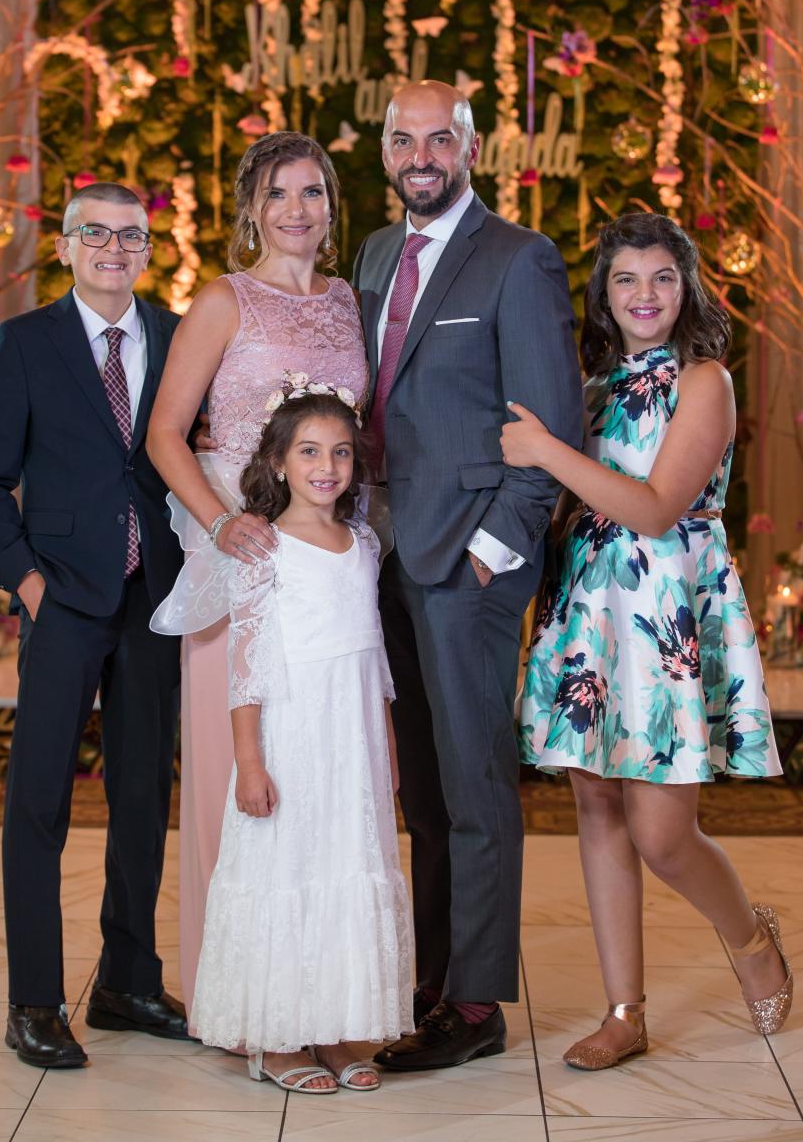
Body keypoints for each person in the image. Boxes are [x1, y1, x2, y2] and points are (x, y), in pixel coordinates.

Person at [509, 210, 791, 1071]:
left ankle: (748, 936)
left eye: (662, 278)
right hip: (591, 611)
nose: (644, 295)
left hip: (664, 613)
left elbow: (656, 506)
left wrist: (547, 453)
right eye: (626, 279)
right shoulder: (589, 382)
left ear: (686, 287)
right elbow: (570, 511)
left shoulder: (705, 381)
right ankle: (624, 1012)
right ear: (604, 292)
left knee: (662, 831)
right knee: (595, 803)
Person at [352, 79, 583, 1072]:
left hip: (469, 568)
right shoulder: (371, 254)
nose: (421, 155)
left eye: (439, 138)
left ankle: (477, 1008)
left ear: (471, 148)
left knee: (478, 784)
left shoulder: (519, 259)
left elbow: (553, 430)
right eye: (404, 138)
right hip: (386, 557)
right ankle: (437, 979)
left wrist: (497, 556)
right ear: (387, 148)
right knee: (425, 792)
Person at [0, 183, 187, 1068]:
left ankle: (128, 982)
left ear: (146, 249)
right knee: (39, 801)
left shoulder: (172, 337)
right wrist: (25, 581)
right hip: (59, 595)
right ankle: (35, 999)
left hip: (152, 598)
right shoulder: (27, 344)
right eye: (94, 232)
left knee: (142, 794)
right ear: (65, 246)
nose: (113, 247)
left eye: (131, 235)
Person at [146, 132, 367, 1022]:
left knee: (319, 777)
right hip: (236, 554)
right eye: (279, 194)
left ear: (330, 206)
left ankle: (320, 994)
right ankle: (231, 997)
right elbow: (165, 433)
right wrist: (221, 520)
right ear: (251, 206)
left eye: (312, 193)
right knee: (239, 774)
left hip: (323, 553)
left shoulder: (350, 302)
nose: (296, 211)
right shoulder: (221, 302)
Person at [188, 385, 413, 1092]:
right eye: (309, 452)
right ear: (279, 463)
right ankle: (279, 1037)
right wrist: (250, 762)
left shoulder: (363, 543)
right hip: (292, 732)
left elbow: (373, 653)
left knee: (346, 863)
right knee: (290, 869)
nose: (328, 466)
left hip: (353, 737)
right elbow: (246, 668)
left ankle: (338, 1028)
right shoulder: (263, 547)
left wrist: (388, 744)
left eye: (341, 452)